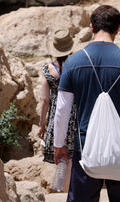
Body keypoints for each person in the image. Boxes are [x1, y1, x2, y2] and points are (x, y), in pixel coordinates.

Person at [53, 5, 120, 202]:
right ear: (118, 29)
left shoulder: (73, 62)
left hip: (85, 146)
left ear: (91, 27)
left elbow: (62, 109)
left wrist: (59, 145)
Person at [38, 29, 76, 191]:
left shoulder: (47, 71)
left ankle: (61, 188)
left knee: (60, 156)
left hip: (56, 115)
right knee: (73, 157)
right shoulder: (75, 66)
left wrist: (41, 124)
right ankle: (68, 189)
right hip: (75, 114)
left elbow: (45, 100)